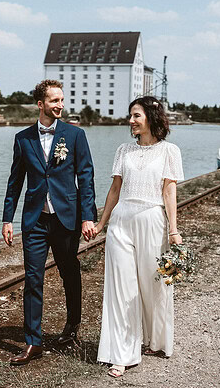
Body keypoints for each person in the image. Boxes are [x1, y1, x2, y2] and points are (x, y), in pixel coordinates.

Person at [2, 79, 97, 366]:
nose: (60, 105)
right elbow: (15, 181)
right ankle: (34, 342)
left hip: (66, 219)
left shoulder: (75, 135)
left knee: (70, 273)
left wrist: (88, 216)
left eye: (61, 100)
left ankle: (71, 328)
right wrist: (7, 218)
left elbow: (86, 177)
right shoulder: (23, 138)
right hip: (35, 221)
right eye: (54, 101)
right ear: (40, 104)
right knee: (33, 279)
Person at [93, 96, 184, 378]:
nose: (130, 121)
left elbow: (169, 192)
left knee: (154, 285)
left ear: (151, 118)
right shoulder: (123, 150)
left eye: (136, 116)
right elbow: (115, 189)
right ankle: (122, 354)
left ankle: (155, 341)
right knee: (122, 289)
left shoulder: (170, 151)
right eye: (130, 116)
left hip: (153, 221)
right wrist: (101, 224)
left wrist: (174, 229)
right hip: (121, 222)